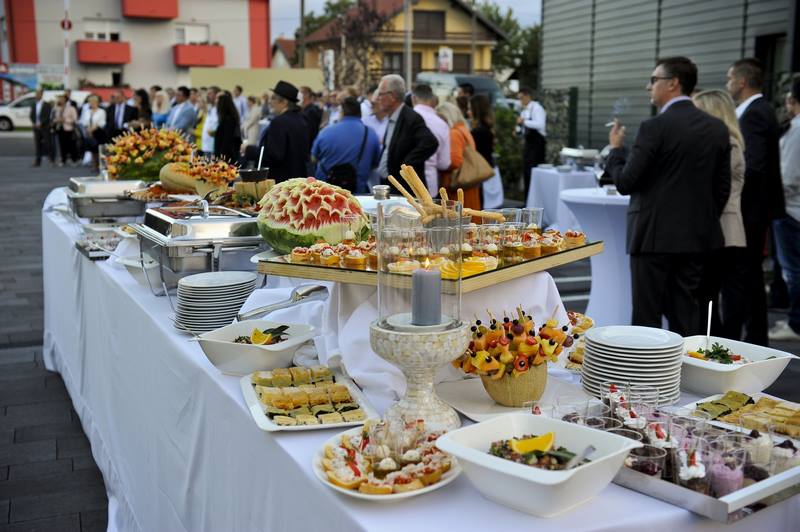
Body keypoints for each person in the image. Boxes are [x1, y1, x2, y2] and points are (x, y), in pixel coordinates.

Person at [604, 56, 731, 336]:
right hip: (697, 238)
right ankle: (685, 377)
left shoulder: (654, 128)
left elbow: (626, 182)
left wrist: (615, 150)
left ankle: (649, 379)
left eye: (653, 80)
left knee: (647, 318)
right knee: (686, 315)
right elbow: (722, 188)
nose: (648, 87)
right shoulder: (716, 128)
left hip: (652, 238)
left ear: (673, 83)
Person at [725, 58, 786, 345]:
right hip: (753, 209)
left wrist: (732, 197)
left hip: (750, 210)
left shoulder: (756, 113)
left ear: (741, 81)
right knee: (748, 276)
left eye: (729, 79)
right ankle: (755, 337)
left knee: (744, 275)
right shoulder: (756, 111)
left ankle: (746, 338)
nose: (727, 85)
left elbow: (754, 166)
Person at [692, 89, 748, 335]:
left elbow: (716, 189)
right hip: (724, 228)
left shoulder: (728, 143)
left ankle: (721, 345)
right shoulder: (728, 141)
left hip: (725, 229)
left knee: (711, 294)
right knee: (710, 294)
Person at [769, 77, 800, 341]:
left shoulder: (797, 130)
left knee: (793, 271)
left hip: (791, 210)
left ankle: (797, 324)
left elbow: (787, 178)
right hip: (793, 208)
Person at [375, 74, 438, 188]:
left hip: (404, 190)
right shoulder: (393, 116)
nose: (377, 98)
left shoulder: (411, 117)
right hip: (391, 186)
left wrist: (405, 166)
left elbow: (430, 142)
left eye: (380, 94)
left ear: (392, 96)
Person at [312, 96, 381, 193]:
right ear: (360, 113)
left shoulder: (325, 132)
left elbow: (314, 157)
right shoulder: (370, 134)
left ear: (342, 113)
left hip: (325, 192)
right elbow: (375, 163)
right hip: (356, 193)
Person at [256, 81, 310, 182]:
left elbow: (275, 156)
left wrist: (250, 151)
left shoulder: (279, 122)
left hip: (282, 180)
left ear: (284, 101)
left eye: (273, 98)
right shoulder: (302, 119)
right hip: (299, 177)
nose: (271, 102)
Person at [436, 101, 480, 210]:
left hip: (457, 186)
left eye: (441, 118)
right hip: (468, 183)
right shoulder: (464, 129)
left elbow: (455, 161)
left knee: (460, 221)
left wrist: (438, 163)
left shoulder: (454, 133)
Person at [411, 84, 450, 197]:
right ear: (432, 100)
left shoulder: (405, 119)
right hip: (430, 185)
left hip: (404, 183)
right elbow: (444, 163)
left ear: (413, 98)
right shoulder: (442, 124)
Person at [518, 87, 547, 199]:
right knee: (526, 172)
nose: (520, 101)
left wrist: (524, 121)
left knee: (534, 172)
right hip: (528, 145)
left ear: (527, 96)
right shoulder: (524, 111)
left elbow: (540, 124)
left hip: (537, 145)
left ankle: (535, 199)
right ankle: (527, 199)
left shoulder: (537, 108)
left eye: (521, 98)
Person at [81, 95, 107, 171]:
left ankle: (101, 165)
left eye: (93, 102)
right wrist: (88, 129)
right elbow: (84, 121)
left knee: (99, 150)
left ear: (97, 103)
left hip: (99, 132)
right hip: (89, 132)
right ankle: (94, 165)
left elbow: (102, 123)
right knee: (92, 150)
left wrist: (93, 128)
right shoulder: (87, 111)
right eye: (90, 102)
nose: (92, 104)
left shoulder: (101, 111)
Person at [213, 92, 241, 163]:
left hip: (226, 157)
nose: (216, 103)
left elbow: (227, 140)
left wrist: (221, 157)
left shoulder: (229, 120)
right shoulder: (226, 118)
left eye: (218, 101)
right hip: (223, 155)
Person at [30, 89, 54, 167]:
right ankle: (38, 161)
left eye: (38, 94)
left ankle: (51, 160)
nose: (37, 95)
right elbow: (31, 115)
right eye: (36, 93)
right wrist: (34, 123)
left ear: (41, 95)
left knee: (48, 143)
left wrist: (41, 123)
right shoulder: (33, 104)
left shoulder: (47, 104)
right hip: (36, 128)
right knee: (37, 144)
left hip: (45, 127)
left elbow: (48, 116)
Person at [54, 94, 79, 166]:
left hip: (69, 129)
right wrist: (57, 120)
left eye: (62, 99)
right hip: (60, 128)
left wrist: (65, 120)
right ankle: (63, 160)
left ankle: (74, 160)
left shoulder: (71, 108)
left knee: (71, 145)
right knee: (62, 145)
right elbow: (55, 117)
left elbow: (75, 119)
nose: (60, 100)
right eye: (60, 99)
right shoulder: (57, 108)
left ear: (65, 100)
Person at [201, 86, 220, 157]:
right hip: (206, 145)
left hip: (214, 147)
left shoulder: (219, 110)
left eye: (210, 94)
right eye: (207, 94)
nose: (207, 96)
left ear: (216, 95)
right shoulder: (211, 108)